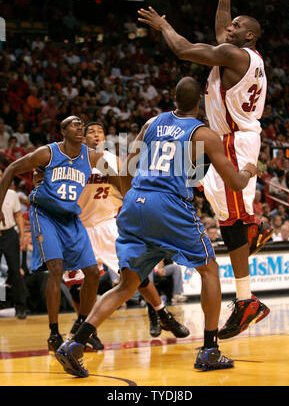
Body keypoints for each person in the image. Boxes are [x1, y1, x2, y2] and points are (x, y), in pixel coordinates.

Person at [55, 76, 258, 377]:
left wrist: (134, 200)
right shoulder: (204, 134)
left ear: (174, 99)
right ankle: (210, 349)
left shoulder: (151, 123)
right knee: (209, 270)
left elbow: (128, 167)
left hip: (136, 200)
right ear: (200, 102)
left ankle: (74, 344)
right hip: (169, 204)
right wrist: (250, 169)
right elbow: (234, 182)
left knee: (127, 284)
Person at [137, 0, 273, 340]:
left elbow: (183, 50)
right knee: (223, 211)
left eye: (237, 25)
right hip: (235, 139)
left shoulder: (234, 54)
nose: (229, 27)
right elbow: (220, 30)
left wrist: (163, 26)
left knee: (233, 221)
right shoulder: (240, 54)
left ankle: (246, 301)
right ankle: (254, 231)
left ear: (250, 36)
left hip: (233, 141)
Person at [64, 121, 190, 342]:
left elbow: (129, 188)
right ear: (83, 139)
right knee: (77, 284)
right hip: (81, 225)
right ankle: (87, 328)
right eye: (91, 132)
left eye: (100, 131)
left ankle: (161, 313)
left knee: (134, 276)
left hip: (109, 223)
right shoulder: (73, 162)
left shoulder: (114, 160)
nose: (96, 135)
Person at [0, 116, 107, 353]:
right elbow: (11, 168)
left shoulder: (91, 156)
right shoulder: (47, 153)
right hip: (45, 214)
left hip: (70, 216)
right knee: (56, 269)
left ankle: (81, 326)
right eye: (73, 124)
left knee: (92, 273)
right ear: (63, 131)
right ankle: (53, 333)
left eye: (81, 124)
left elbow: (119, 176)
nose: (79, 126)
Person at [0, 169, 27, 319]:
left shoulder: (11, 194)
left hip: (9, 233)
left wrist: (22, 236)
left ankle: (21, 307)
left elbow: (18, 215)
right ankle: (2, 302)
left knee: (15, 271)